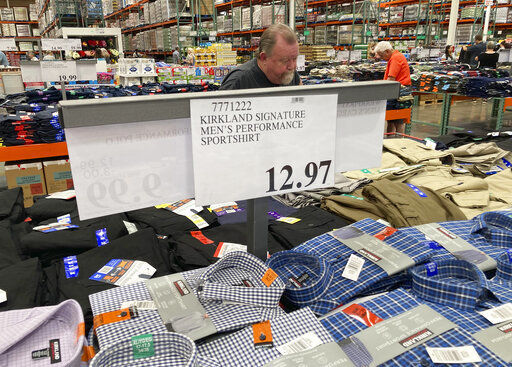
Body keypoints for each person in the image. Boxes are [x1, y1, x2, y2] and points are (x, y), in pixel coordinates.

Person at [220, 24, 301, 90]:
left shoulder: (291, 75)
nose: (292, 66)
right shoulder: (238, 81)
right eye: (285, 60)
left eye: (294, 59)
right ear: (264, 58)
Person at [374, 41, 411, 134]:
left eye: (382, 56)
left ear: (387, 51)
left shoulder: (395, 58)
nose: (382, 59)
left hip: (399, 92)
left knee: (397, 120)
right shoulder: (396, 56)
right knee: (392, 120)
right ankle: (391, 141)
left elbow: (391, 79)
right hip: (398, 90)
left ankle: (397, 142)